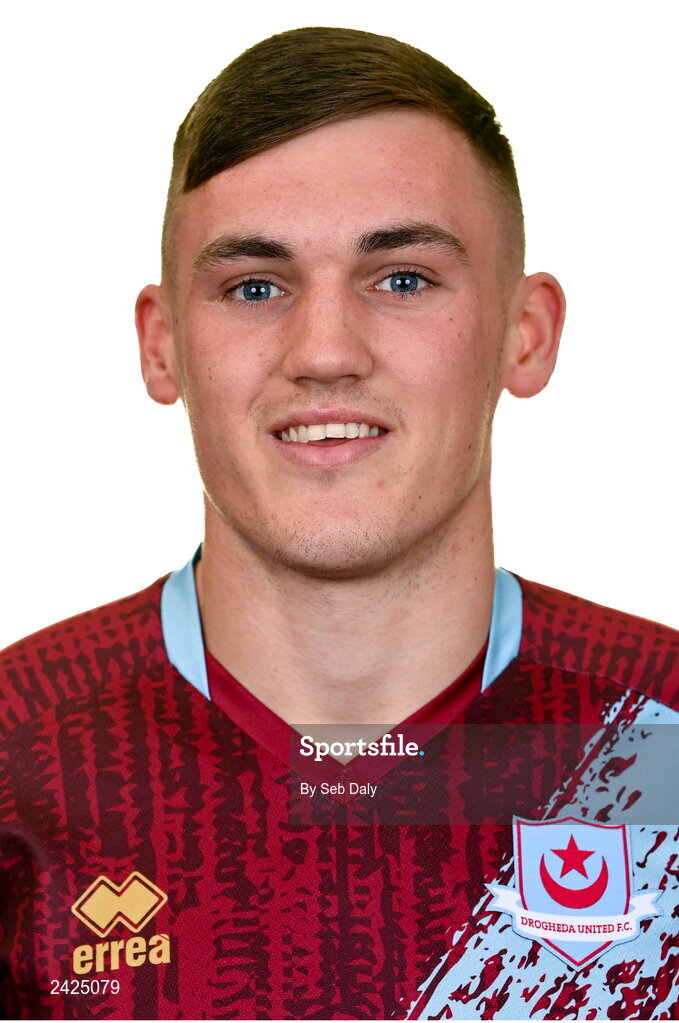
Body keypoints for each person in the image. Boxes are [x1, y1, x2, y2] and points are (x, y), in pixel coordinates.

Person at [0, 25, 676, 1021]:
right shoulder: (17, 754)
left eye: (401, 279)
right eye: (254, 287)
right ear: (162, 344)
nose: (323, 352)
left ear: (524, 334)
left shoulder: (659, 732)